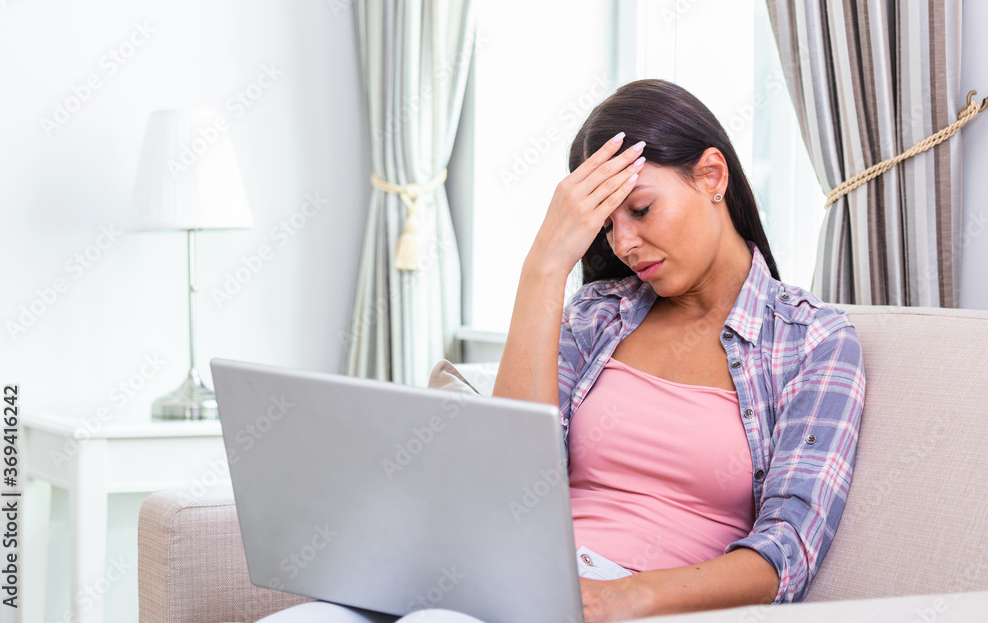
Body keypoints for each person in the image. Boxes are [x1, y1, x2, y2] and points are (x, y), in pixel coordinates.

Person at [259, 79, 866, 623]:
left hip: (628, 601)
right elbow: (506, 481)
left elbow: (786, 552)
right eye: (607, 224)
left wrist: (624, 597)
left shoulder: (811, 341)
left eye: (641, 209)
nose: (624, 243)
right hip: (512, 577)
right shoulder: (598, 314)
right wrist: (544, 268)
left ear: (711, 176)